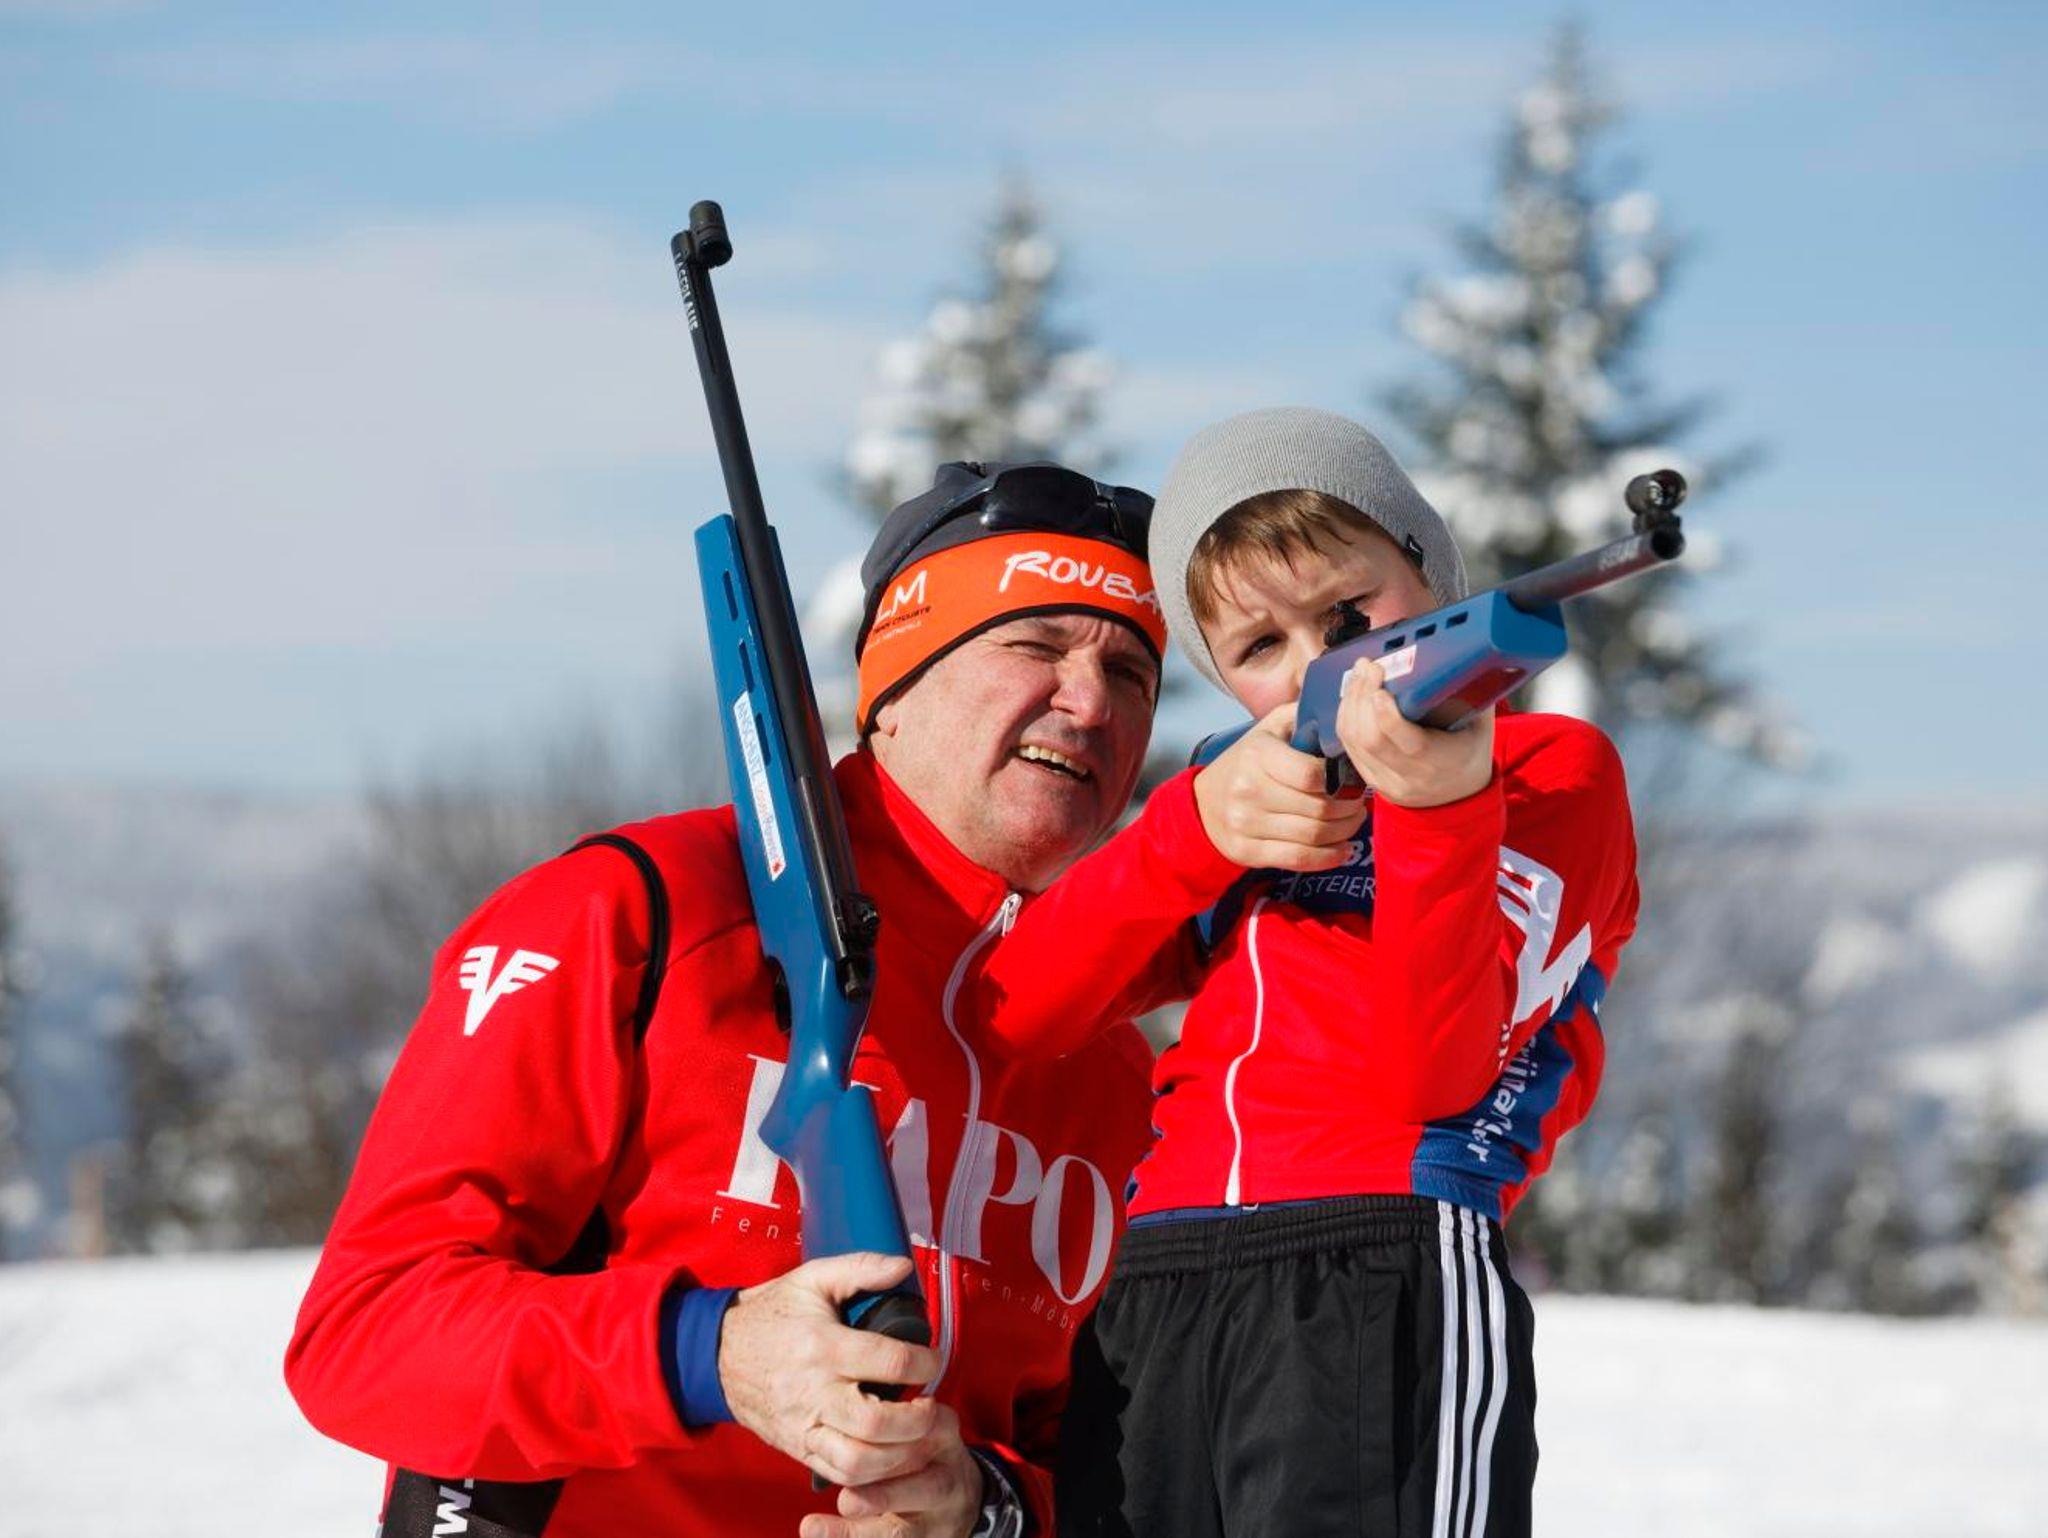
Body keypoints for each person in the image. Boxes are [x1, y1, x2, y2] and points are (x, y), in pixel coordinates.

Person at [284, 459, 1343, 1538]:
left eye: (1130, 672)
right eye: (1034, 645)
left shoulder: (1117, 1074)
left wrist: (985, 1506)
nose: (1090, 702)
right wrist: (711, 1351)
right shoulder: (644, 910)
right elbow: (364, 1336)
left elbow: (1109, 1469)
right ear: (893, 688)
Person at [965, 409, 1641, 1537]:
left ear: (1430, 577)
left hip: (1383, 1258)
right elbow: (1019, 1006)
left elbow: (1433, 1072)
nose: (1318, 664)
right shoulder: (1247, 792)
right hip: (1156, 1282)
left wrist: (1437, 811)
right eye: (1258, 648)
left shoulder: (1547, 774)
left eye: (1346, 614)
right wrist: (1190, 832)